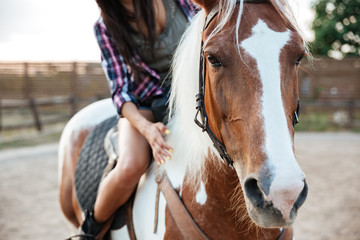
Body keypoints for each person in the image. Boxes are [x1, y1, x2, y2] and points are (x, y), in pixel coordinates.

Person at [80, 0, 196, 238]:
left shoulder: (180, 2)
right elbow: (121, 91)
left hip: (193, 90)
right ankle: (90, 232)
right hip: (144, 104)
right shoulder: (105, 27)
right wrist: (147, 128)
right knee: (130, 166)